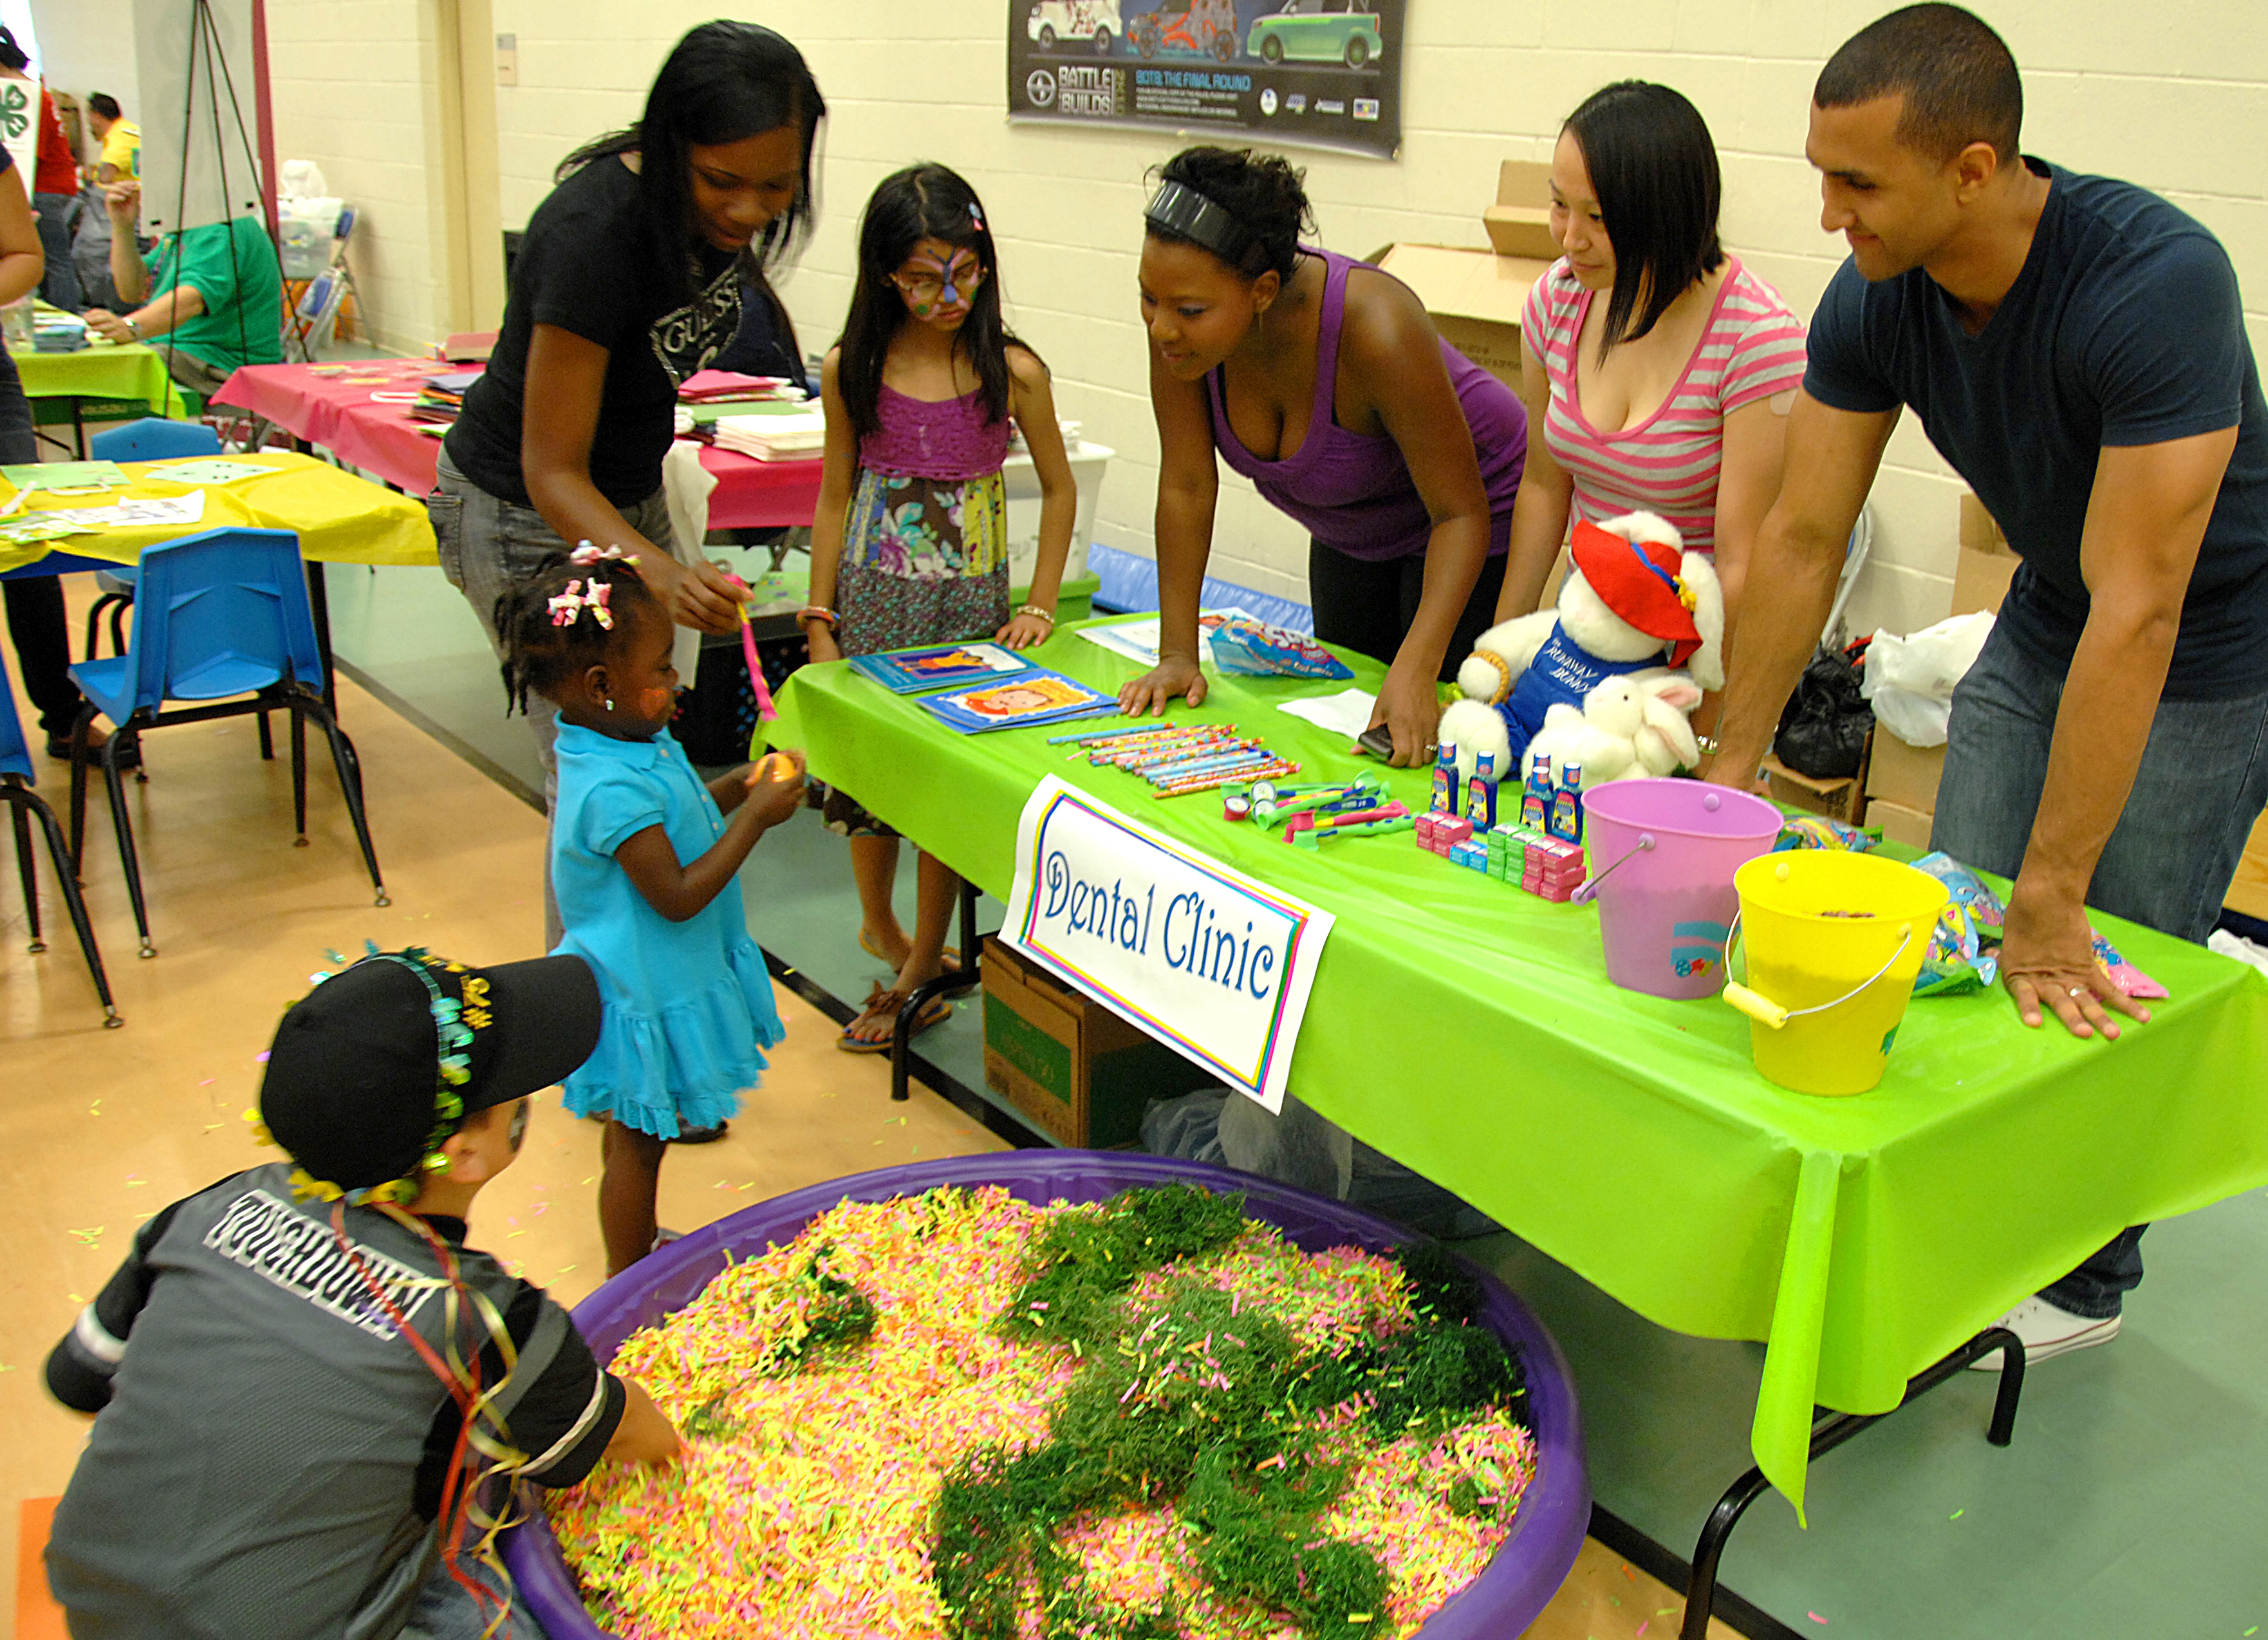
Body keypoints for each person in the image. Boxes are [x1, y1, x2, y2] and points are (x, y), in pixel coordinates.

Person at [1704, 4, 2268, 1364]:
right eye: (1820, 174)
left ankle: (2086, 1278)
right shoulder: (1875, 298)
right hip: (2046, 613)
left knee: (2095, 957)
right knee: (1958, 939)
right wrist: (1726, 764)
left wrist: (2056, 886)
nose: (1828, 213)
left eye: (1856, 183)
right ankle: (1955, 1227)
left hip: (2204, 650)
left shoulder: (2151, 283)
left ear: (1970, 170)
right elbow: (1797, 534)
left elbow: (2142, 611)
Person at [42, 947, 682, 1640]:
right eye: (514, 1091)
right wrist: (685, 1447)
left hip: (97, 1598)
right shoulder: (487, 1318)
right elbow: (625, 1432)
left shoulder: (207, 1210)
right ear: (465, 1153)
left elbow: (77, 1378)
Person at [433, 19, 824, 950]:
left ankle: (645, 997)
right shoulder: (592, 236)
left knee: (645, 748)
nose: (749, 212)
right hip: (526, 513)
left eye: (777, 187)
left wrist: (657, 555)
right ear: (670, 142)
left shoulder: (718, 215)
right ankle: (598, 1022)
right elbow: (550, 468)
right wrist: (655, 566)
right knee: (598, 792)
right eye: (723, 183)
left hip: (619, 500)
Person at [1120, 145, 1528, 767]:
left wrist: (1416, 670)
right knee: (1351, 728)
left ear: (1262, 291)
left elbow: (1459, 513)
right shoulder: (1179, 339)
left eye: (1189, 310)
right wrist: (1177, 654)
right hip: (1351, 522)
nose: (1162, 327)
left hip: (1473, 516)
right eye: (1149, 299)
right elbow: (1185, 483)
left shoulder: (1376, 326)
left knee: (1436, 733)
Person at [803, 163, 1076, 1052]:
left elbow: (1061, 490)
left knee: (939, 792)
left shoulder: (1012, 370)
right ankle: (877, 925)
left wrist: (1039, 604)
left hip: (969, 612)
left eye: (967, 270)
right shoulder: (857, 367)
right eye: (925, 277)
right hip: (877, 607)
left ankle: (921, 963)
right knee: (871, 781)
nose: (950, 294)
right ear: (885, 274)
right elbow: (836, 495)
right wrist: (818, 616)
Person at [496, 550, 807, 1276]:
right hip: (639, 986)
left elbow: (685, 811)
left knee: (645, 1135)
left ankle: (636, 1248)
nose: (676, 682)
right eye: (663, 669)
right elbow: (675, 895)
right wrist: (756, 819)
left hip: (656, 974)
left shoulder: (630, 738)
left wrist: (736, 787)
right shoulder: (607, 787)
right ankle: (627, 1276)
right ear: (603, 685)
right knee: (639, 1139)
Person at [1499, 79, 1807, 708]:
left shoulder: (1755, 339)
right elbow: (1541, 487)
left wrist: (1712, 723)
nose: (1568, 238)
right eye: (1559, 206)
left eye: (1598, 218)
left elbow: (1741, 562)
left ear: (1665, 214)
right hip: (1582, 625)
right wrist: (1501, 648)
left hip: (1685, 650)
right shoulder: (1557, 301)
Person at [82, 178, 286, 394]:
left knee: (99, 372)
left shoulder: (218, 226)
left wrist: (131, 328)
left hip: (220, 362)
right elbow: (132, 290)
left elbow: (192, 299)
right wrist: (122, 228)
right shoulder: (185, 227)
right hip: (185, 351)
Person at [0, 30, 81, 310]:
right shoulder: (36, 90)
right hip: (57, 183)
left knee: (51, 260)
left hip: (46, 186)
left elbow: (24, 155)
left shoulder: (23, 96)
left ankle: (67, 316)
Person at [86, 91, 140, 185]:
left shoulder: (120, 138)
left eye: (89, 115)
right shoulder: (127, 129)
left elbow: (104, 177)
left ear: (96, 116)